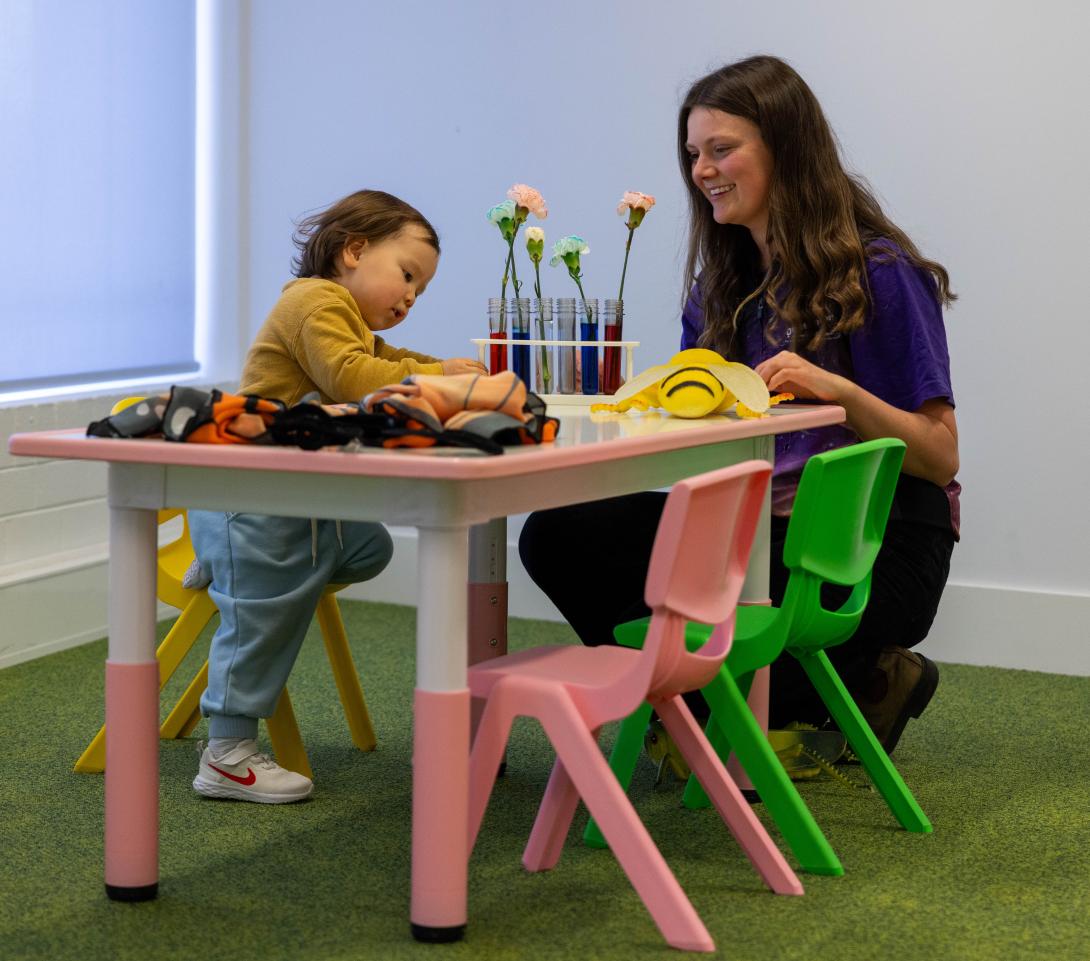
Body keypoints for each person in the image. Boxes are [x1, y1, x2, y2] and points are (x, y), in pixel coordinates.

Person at [519, 55, 959, 758]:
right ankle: (801, 694)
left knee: (745, 655)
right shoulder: (719, 286)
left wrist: (840, 393)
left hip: (872, 544)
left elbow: (939, 457)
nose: (701, 169)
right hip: (746, 532)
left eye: (722, 149)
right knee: (557, 532)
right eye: (694, 153)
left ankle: (868, 676)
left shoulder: (878, 273)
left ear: (785, 147)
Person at [189, 189, 486, 803]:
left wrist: (445, 371)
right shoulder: (315, 301)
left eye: (419, 291)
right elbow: (352, 376)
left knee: (368, 546)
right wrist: (436, 380)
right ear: (353, 250)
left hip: (294, 491)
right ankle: (226, 751)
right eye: (407, 276)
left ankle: (226, 557)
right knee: (266, 610)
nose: (409, 298)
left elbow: (386, 360)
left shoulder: (345, 320)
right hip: (254, 487)